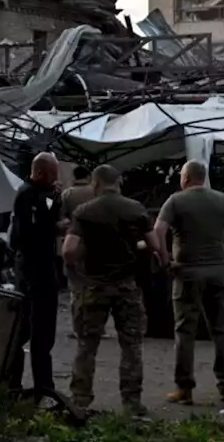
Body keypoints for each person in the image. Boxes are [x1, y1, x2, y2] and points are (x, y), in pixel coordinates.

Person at [61, 164, 166, 415]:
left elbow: (68, 250)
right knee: (131, 345)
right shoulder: (136, 209)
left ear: (95, 184)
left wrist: (83, 263)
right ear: (118, 183)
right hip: (126, 287)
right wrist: (133, 245)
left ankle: (80, 400)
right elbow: (153, 244)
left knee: (87, 345)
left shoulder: (84, 212)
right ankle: (132, 401)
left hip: (93, 286)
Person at [153, 160, 224, 405]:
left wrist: (166, 261)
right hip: (217, 272)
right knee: (221, 329)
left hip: (187, 273)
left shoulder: (176, 201)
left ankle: (184, 389)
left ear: (185, 178)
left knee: (185, 331)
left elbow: (158, 230)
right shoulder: (220, 199)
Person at [6, 152, 63, 394]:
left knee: (33, 330)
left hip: (34, 267)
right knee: (37, 329)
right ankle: (37, 385)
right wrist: (54, 225)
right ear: (41, 172)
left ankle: (28, 383)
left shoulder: (36, 194)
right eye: (52, 175)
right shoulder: (28, 195)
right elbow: (29, 232)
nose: (55, 180)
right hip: (34, 269)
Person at [60, 165, 96, 332]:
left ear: (74, 177)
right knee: (94, 287)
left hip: (72, 243)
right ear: (88, 176)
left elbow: (61, 219)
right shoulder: (95, 193)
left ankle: (77, 327)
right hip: (94, 246)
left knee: (76, 288)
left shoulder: (67, 194)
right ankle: (95, 326)